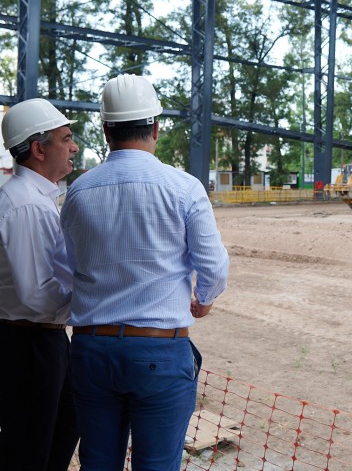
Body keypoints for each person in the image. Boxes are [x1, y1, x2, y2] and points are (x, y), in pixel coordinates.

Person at [61, 74, 230, 471]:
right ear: (156, 126)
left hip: (90, 351)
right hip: (158, 351)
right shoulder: (184, 188)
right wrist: (203, 300)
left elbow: (68, 266)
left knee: (97, 463)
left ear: (105, 130)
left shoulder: (79, 192)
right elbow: (214, 266)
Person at [0, 98, 80, 471]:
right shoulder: (26, 206)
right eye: (66, 139)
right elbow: (38, 296)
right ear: (39, 149)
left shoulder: (35, 199)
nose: (74, 147)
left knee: (55, 440)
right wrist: (95, 303)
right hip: (29, 344)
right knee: (27, 454)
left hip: (38, 340)